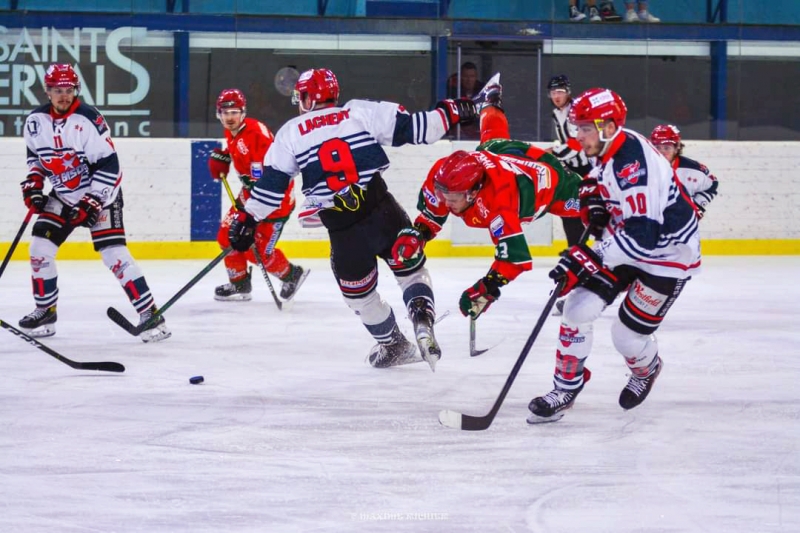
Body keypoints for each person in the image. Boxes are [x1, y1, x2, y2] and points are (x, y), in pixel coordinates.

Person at [227, 68, 477, 371]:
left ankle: (394, 345)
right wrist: (455, 109)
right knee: (411, 272)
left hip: (343, 231)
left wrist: (247, 219)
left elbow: (270, 189)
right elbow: (422, 129)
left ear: (307, 98)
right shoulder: (359, 112)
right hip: (383, 211)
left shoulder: (291, 131)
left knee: (361, 298)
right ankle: (422, 319)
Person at [527, 88, 701, 424]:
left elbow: (642, 239)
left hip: (666, 253)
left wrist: (589, 257)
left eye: (583, 128)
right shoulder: (607, 142)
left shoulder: (638, 168)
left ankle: (647, 368)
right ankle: (565, 389)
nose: (578, 136)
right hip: (627, 237)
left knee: (625, 335)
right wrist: (594, 197)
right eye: (576, 128)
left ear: (607, 126)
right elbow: (598, 178)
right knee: (577, 309)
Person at [392, 80, 582, 323]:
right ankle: (490, 103)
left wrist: (487, 288)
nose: (446, 203)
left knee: (595, 207)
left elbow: (515, 259)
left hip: (553, 184)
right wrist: (418, 233)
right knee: (491, 138)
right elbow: (432, 215)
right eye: (444, 195)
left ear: (473, 192)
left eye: (453, 198)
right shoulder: (443, 174)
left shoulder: (499, 202)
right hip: (499, 152)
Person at [18, 63, 170, 343]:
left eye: (69, 90)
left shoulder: (87, 119)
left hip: (102, 197)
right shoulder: (35, 121)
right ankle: (46, 311)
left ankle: (151, 315)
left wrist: (92, 201)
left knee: (114, 255)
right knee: (40, 248)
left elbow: (110, 165)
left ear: (76, 90)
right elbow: (36, 158)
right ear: (47, 91)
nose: (64, 96)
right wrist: (34, 185)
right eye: (57, 90)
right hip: (63, 194)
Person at [208, 88, 309, 302]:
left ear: (243, 112)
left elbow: (271, 178)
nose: (229, 118)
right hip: (249, 195)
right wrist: (224, 156)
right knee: (227, 237)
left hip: (274, 202)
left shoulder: (256, 136)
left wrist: (253, 213)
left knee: (258, 252)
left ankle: (292, 275)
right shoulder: (233, 131)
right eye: (225, 113)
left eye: (234, 112)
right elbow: (239, 151)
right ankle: (239, 284)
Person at [650, 124, 718, 219]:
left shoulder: (693, 170)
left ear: (677, 147)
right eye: (657, 148)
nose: (661, 153)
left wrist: (697, 206)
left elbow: (712, 185)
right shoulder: (643, 169)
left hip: (681, 226)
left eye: (666, 148)